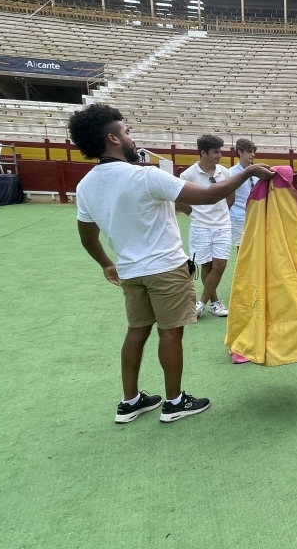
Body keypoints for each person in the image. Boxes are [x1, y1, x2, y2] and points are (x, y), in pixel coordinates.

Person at [69, 104, 271, 422]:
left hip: (130, 271)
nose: (131, 137)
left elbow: (87, 236)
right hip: (165, 268)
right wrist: (246, 172)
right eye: (126, 131)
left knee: (136, 332)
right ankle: (175, 402)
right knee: (170, 333)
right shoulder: (146, 176)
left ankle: (130, 400)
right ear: (112, 138)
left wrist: (106, 264)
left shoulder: (86, 185)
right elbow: (209, 195)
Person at [177, 134, 233, 318]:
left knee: (220, 264)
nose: (220, 155)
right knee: (207, 265)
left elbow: (230, 198)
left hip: (223, 225)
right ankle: (215, 303)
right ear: (203, 153)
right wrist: (195, 214)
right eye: (216, 152)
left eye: (220, 151)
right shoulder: (188, 175)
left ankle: (200, 303)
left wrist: (221, 213)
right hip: (200, 227)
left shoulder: (225, 173)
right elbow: (180, 201)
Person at [227, 138, 258, 249]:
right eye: (249, 151)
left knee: (256, 248)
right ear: (240, 152)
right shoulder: (231, 173)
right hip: (238, 216)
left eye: (253, 151)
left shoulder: (257, 172)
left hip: (255, 216)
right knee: (242, 249)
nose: (253, 154)